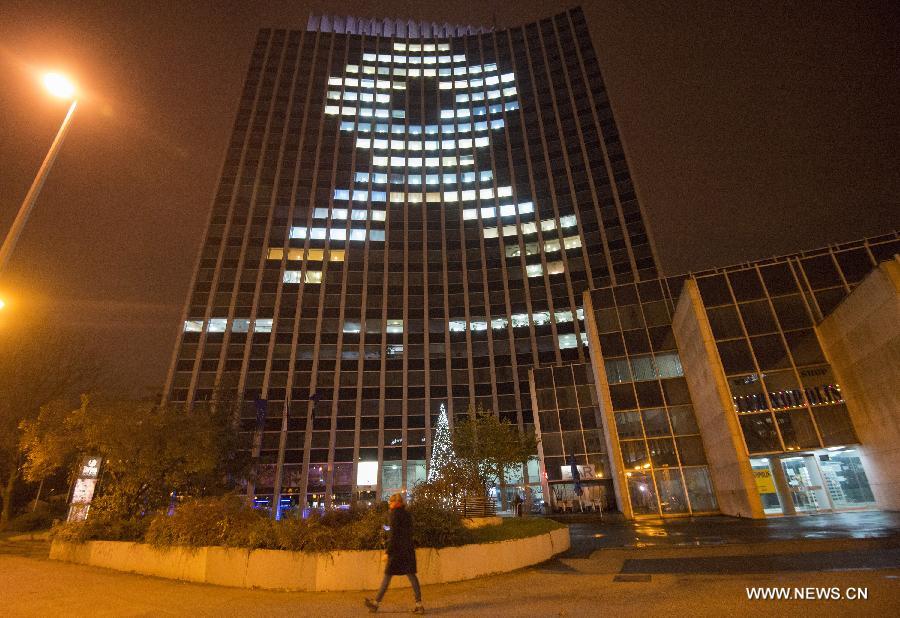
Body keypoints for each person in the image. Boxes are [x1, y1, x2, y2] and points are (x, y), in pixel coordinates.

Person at [365, 493, 424, 614]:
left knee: (387, 577)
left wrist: (388, 552)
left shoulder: (393, 514)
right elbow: (406, 531)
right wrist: (388, 528)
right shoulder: (407, 514)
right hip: (407, 550)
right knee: (412, 577)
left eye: (391, 502)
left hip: (397, 552)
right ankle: (419, 604)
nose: (389, 504)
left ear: (396, 503)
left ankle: (375, 604)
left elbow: (394, 535)